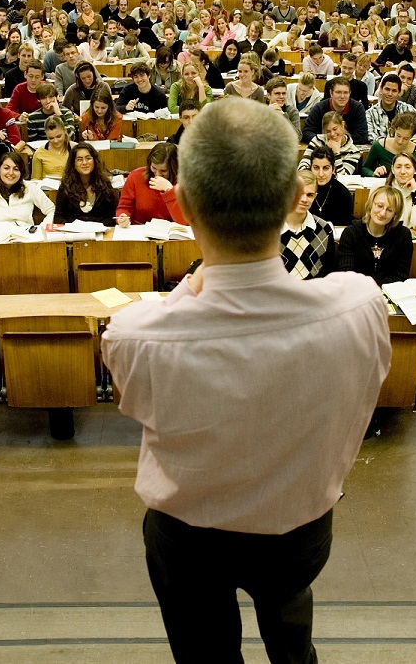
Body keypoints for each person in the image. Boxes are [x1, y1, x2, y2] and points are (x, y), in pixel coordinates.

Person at [101, 93, 388, 664]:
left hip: (190, 543)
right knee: (290, 615)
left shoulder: (134, 336)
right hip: (300, 535)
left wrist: (194, 282)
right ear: (290, 200)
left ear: (181, 203)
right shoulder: (360, 305)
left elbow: (142, 399)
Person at [336, 185, 414, 284]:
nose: (382, 213)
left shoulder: (403, 235)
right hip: (356, 291)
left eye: (389, 210)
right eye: (379, 206)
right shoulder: (351, 233)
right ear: (371, 204)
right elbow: (346, 273)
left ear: (395, 214)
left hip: (389, 292)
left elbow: (400, 276)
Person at [0, 151, 55, 229]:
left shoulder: (30, 187)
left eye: (16, 169)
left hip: (24, 237)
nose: (11, 173)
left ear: (21, 172)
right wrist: (2, 227)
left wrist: (41, 228)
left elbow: (52, 210)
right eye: (6, 168)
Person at [279, 172, 335, 280]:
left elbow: (329, 274)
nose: (304, 199)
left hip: (313, 292)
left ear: (315, 196)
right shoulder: (270, 229)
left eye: (310, 195)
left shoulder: (324, 229)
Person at [54, 143, 119, 227]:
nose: (84, 163)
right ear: (73, 164)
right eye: (79, 159)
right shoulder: (65, 186)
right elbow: (58, 217)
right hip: (73, 234)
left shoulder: (105, 185)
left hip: (100, 233)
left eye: (88, 158)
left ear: (94, 161)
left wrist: (96, 227)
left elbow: (111, 217)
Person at [29, 116, 73, 181]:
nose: (55, 141)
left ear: (64, 131)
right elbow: (35, 179)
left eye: (58, 136)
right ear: (46, 134)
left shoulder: (74, 149)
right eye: (51, 138)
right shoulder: (39, 153)